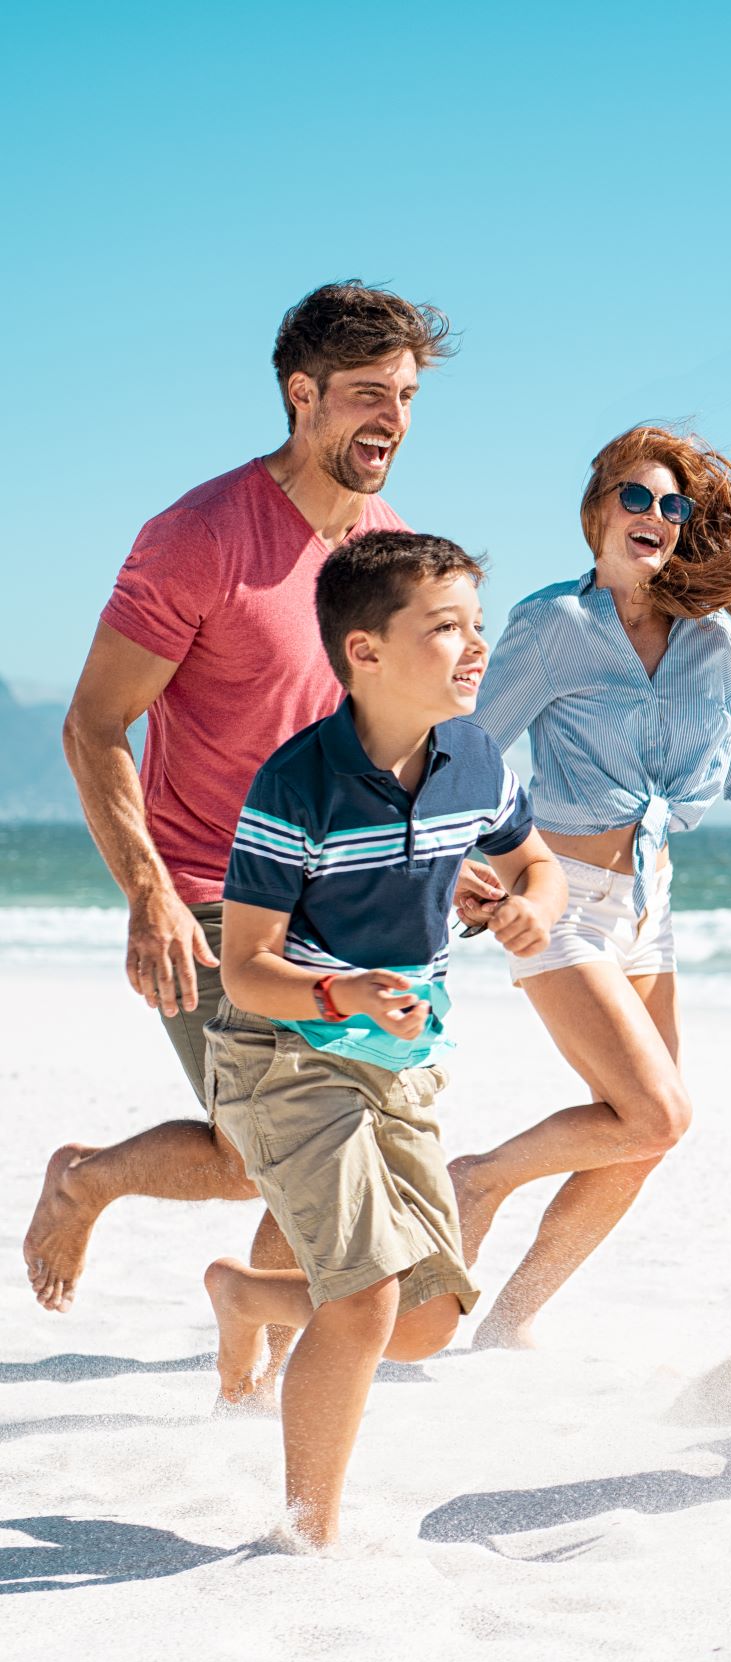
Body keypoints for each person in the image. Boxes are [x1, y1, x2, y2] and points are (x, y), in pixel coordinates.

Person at [25, 282, 455, 1329]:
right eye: (365, 393)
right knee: (281, 1147)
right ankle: (85, 1181)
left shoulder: (384, 542)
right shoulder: (198, 536)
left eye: (404, 395)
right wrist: (149, 894)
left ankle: (246, 1346)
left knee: (291, 1150)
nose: (390, 420)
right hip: (215, 897)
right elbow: (92, 724)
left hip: (342, 900)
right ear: (301, 395)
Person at [448, 425, 731, 1347]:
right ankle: (477, 1179)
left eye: (671, 505)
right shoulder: (551, 627)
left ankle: (510, 1321)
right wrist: (454, 857)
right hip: (554, 893)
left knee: (648, 1135)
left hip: (649, 905)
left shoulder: (714, 646)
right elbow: (469, 745)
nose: (653, 516)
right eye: (635, 498)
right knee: (654, 1109)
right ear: (598, 512)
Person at [201, 531, 563, 1549]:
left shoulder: (476, 756)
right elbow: (245, 965)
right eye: (444, 627)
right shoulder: (295, 786)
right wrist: (341, 989)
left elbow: (537, 864)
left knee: (428, 1316)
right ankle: (304, 1536)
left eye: (477, 625)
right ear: (363, 652)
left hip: (402, 1061)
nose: (475, 647)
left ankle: (246, 1294)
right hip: (286, 1050)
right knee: (362, 1299)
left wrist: (532, 903)